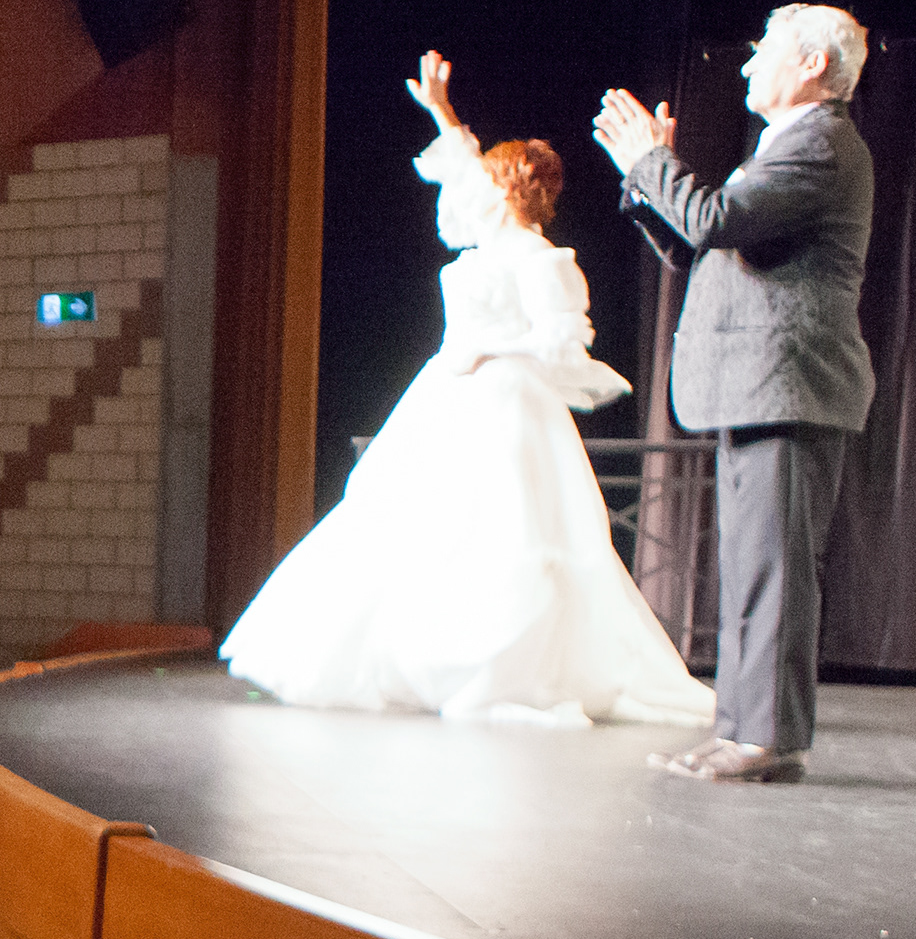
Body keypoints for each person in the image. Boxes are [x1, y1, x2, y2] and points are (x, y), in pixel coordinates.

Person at [222, 54, 717, 729]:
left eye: (485, 181)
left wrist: (488, 348)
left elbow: (563, 345)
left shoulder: (546, 263)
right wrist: (442, 112)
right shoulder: (479, 253)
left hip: (509, 404)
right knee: (417, 526)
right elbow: (457, 174)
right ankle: (422, 658)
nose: (469, 193)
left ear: (508, 188)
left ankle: (505, 673)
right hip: (449, 401)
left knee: (508, 534)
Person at [595, 2, 879, 781]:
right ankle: (744, 733)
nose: (749, 66)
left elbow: (714, 220)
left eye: (765, 53)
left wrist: (653, 161)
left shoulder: (820, 145)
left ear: (813, 66)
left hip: (788, 388)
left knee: (775, 572)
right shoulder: (783, 146)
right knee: (753, 568)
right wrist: (644, 174)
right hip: (759, 389)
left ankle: (767, 740)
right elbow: (704, 243)